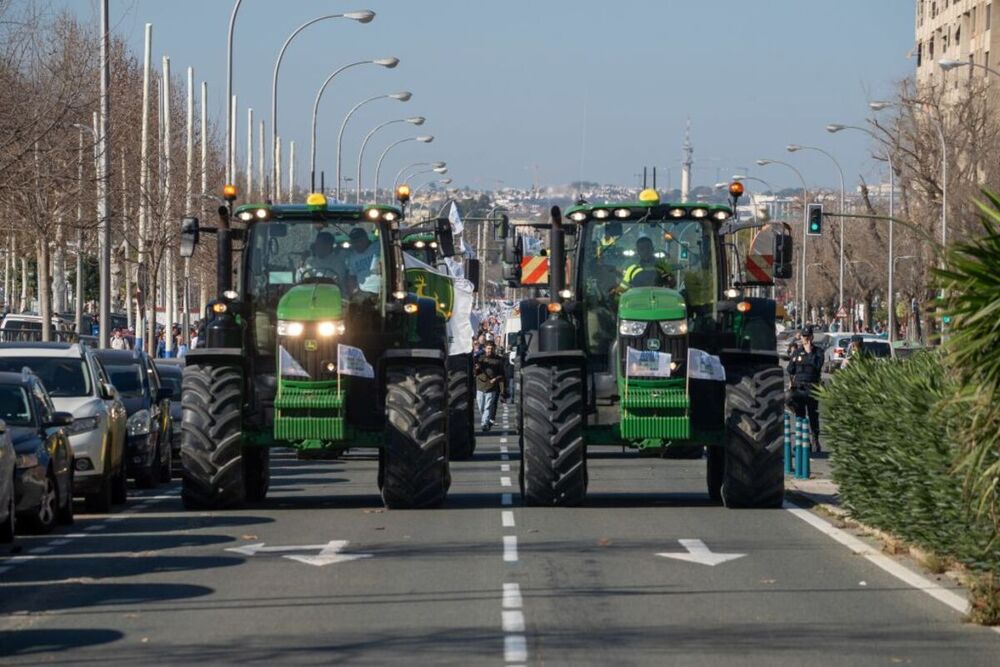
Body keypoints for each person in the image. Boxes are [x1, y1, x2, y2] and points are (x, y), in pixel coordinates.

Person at [786, 325, 824, 453]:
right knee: (800, 415)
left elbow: (818, 366)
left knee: (813, 416)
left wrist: (809, 353)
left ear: (812, 337)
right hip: (799, 388)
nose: (805, 339)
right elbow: (790, 369)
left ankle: (815, 441)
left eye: (808, 337)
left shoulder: (818, 352)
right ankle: (802, 441)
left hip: (812, 388)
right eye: (804, 337)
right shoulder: (797, 352)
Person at [474, 341, 505, 432]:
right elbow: (475, 372)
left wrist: (495, 379)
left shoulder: (498, 360)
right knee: (481, 407)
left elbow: (502, 374)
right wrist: (476, 368)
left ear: (494, 349)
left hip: (491, 387)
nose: (489, 350)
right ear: (484, 348)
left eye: (491, 349)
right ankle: (487, 420)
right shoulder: (480, 359)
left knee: (487, 407)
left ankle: (484, 424)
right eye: (488, 348)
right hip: (480, 386)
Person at [345, 227, 380, 294]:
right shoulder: (352, 257)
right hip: (363, 293)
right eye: (353, 242)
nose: (356, 244)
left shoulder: (378, 247)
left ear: (365, 238)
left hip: (380, 290)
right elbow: (352, 277)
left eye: (358, 241)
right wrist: (353, 293)